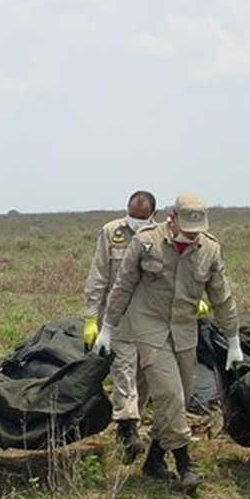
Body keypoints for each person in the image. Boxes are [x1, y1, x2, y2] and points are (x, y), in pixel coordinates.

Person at [95, 193, 244, 495]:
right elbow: (122, 286)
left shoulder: (209, 250)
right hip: (149, 327)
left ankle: (154, 459)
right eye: (186, 229)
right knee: (170, 395)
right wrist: (107, 327)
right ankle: (185, 464)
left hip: (184, 329)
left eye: (196, 231)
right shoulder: (146, 242)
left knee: (179, 398)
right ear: (172, 218)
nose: (190, 236)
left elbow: (222, 297)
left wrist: (234, 339)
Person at [81, 190, 156, 463]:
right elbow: (98, 275)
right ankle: (128, 430)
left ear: (152, 215)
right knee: (123, 373)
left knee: (144, 376)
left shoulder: (160, 237)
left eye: (141, 217)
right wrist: (91, 317)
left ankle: (131, 421)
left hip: (150, 319)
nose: (135, 221)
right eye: (132, 215)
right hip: (117, 319)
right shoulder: (111, 232)